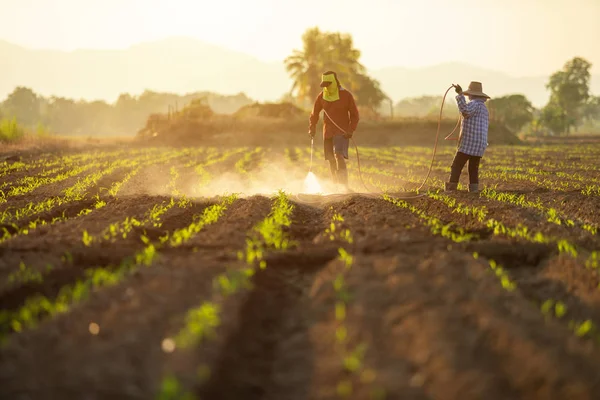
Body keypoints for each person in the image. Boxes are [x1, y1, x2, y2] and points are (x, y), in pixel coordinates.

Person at [308, 71, 359, 192]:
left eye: (328, 84)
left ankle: (344, 186)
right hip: (328, 132)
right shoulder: (322, 96)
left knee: (338, 155)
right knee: (331, 159)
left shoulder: (346, 96)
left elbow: (355, 115)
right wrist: (312, 127)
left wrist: (351, 129)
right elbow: (314, 113)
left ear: (335, 82)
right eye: (324, 85)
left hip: (342, 132)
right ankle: (336, 186)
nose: (326, 87)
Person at [445, 81, 490, 193]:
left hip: (470, 142)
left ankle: (451, 189)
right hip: (480, 144)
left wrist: (460, 94)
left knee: (456, 166)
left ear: (472, 95)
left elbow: (465, 111)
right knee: (473, 169)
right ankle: (474, 191)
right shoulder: (484, 108)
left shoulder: (474, 104)